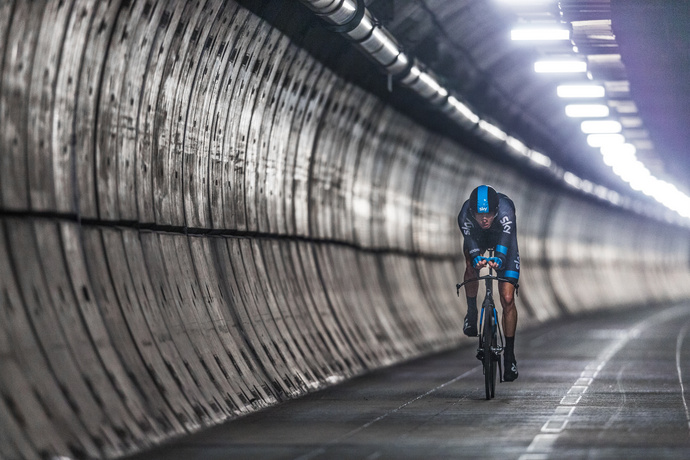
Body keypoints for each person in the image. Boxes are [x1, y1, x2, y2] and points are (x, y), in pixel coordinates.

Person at [457, 185, 520, 382]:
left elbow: (506, 239)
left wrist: (499, 258)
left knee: (507, 298)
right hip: (478, 238)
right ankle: (472, 312)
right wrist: (476, 258)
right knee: (470, 265)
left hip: (503, 239)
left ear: (496, 211)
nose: (484, 219)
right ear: (472, 212)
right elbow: (471, 242)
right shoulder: (465, 216)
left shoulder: (506, 211)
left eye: (489, 214)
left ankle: (509, 355)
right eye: (479, 215)